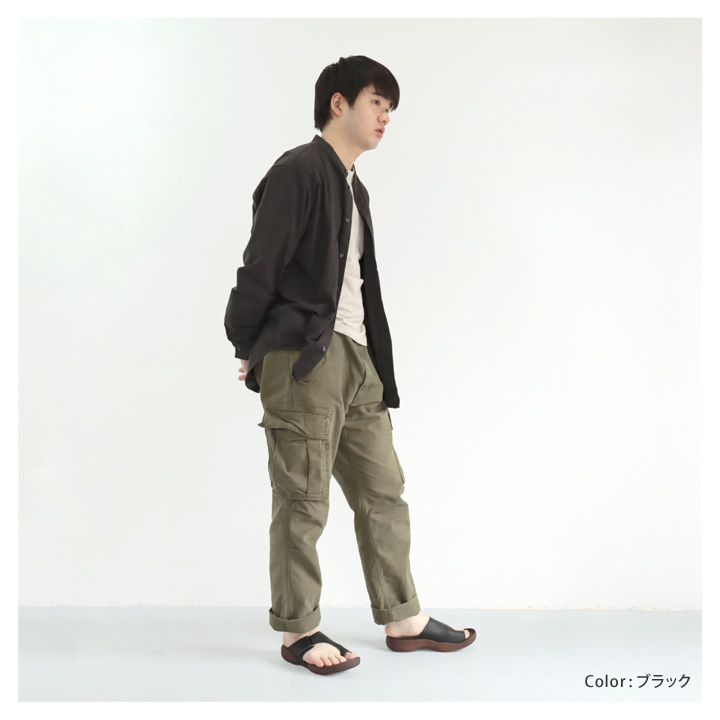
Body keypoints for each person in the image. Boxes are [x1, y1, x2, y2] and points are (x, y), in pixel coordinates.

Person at [224, 55, 475, 675]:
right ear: (339, 103)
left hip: (360, 359)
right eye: (376, 103)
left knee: (383, 490)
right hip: (306, 359)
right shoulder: (298, 171)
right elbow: (260, 265)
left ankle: (403, 617)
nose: (386, 117)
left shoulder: (354, 187)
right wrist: (248, 343)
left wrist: (372, 362)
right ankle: (298, 632)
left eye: (390, 108)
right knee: (303, 498)